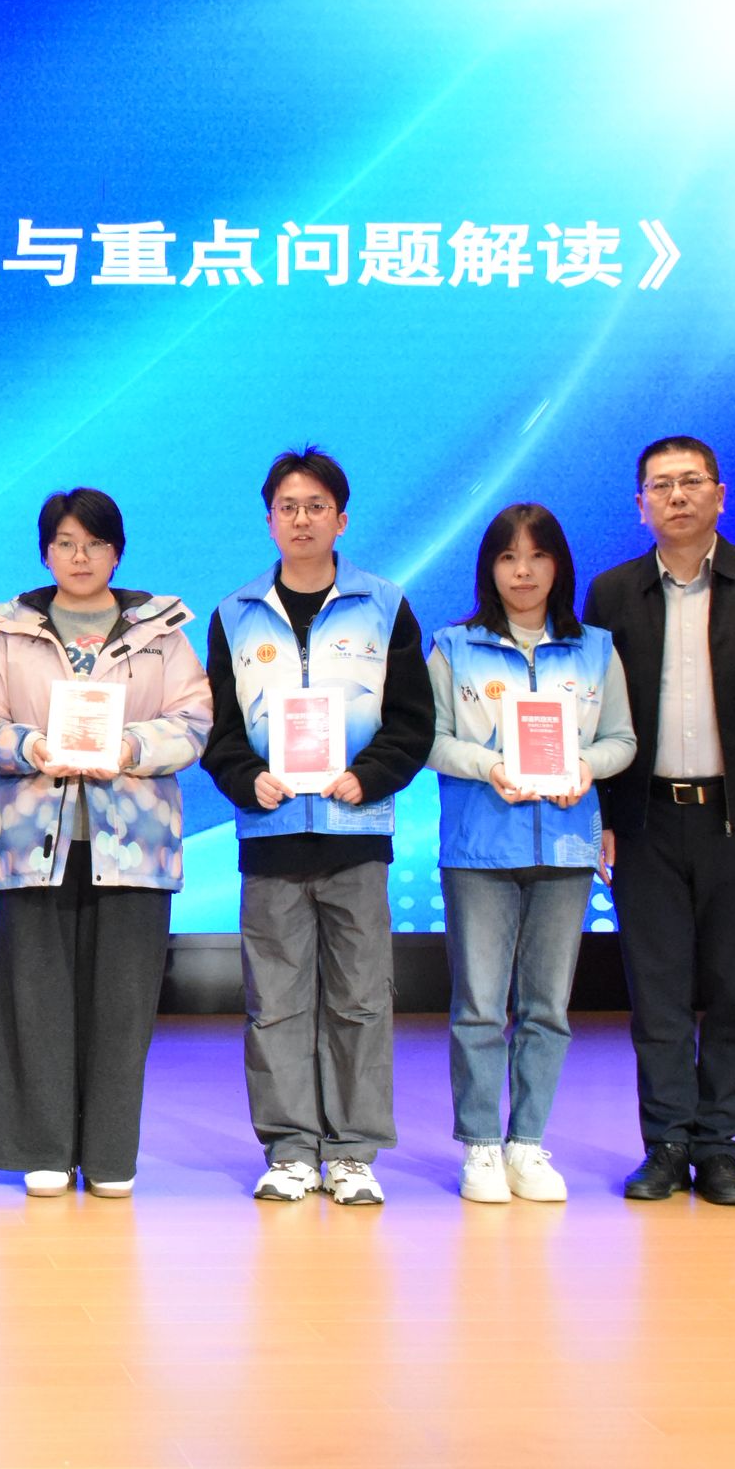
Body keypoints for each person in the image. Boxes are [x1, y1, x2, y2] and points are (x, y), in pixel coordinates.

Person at [584, 437, 735, 1208]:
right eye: (661, 485)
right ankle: (665, 1143)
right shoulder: (612, 593)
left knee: (734, 987)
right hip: (647, 819)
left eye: (692, 482)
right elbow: (592, 714)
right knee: (656, 992)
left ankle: (719, 1146)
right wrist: (600, 815)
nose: (678, 496)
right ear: (640, 506)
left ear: (721, 495)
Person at [201, 448, 434, 1208]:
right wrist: (247, 779)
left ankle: (354, 1152)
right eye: (287, 507)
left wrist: (370, 776)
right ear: (270, 520)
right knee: (275, 1002)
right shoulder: (235, 614)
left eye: (315, 506)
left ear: (341, 518)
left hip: (355, 832)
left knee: (361, 999)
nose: (301, 519)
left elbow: (412, 721)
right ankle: (291, 1149)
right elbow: (219, 729)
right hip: (269, 835)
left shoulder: (385, 605)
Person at [0, 488, 211, 1199]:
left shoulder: (161, 631)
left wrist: (130, 747)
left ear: (117, 552)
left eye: (95, 544)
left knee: (123, 1004)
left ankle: (109, 1153)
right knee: (35, 998)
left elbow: (195, 721)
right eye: (66, 544)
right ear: (46, 553)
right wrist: (30, 746)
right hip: (31, 842)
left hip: (134, 843)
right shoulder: (8, 633)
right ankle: (42, 1147)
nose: (81, 557)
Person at [425, 504, 637, 1205]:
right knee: (480, 1007)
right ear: (489, 568)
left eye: (538, 556)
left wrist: (586, 766)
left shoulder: (596, 649)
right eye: (508, 557)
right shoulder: (454, 647)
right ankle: (481, 1145)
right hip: (479, 849)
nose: (523, 571)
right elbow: (430, 740)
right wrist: (488, 766)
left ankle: (527, 1143)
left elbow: (622, 740)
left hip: (567, 844)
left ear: (558, 566)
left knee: (548, 1008)